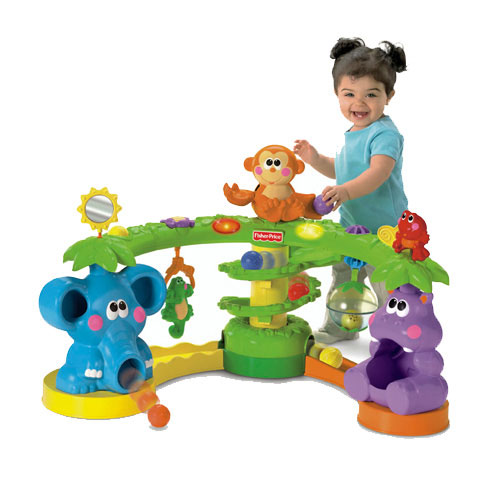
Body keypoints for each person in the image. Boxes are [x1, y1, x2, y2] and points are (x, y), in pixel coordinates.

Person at [294, 37, 408, 343]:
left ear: (389, 96)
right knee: (344, 277)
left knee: (386, 284)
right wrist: (315, 159)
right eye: (349, 94)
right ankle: (340, 327)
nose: (359, 103)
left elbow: (377, 174)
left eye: (371, 94)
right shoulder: (353, 132)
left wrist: (343, 192)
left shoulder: (385, 135)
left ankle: (394, 338)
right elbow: (344, 170)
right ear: (337, 94)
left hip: (384, 231)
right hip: (351, 227)